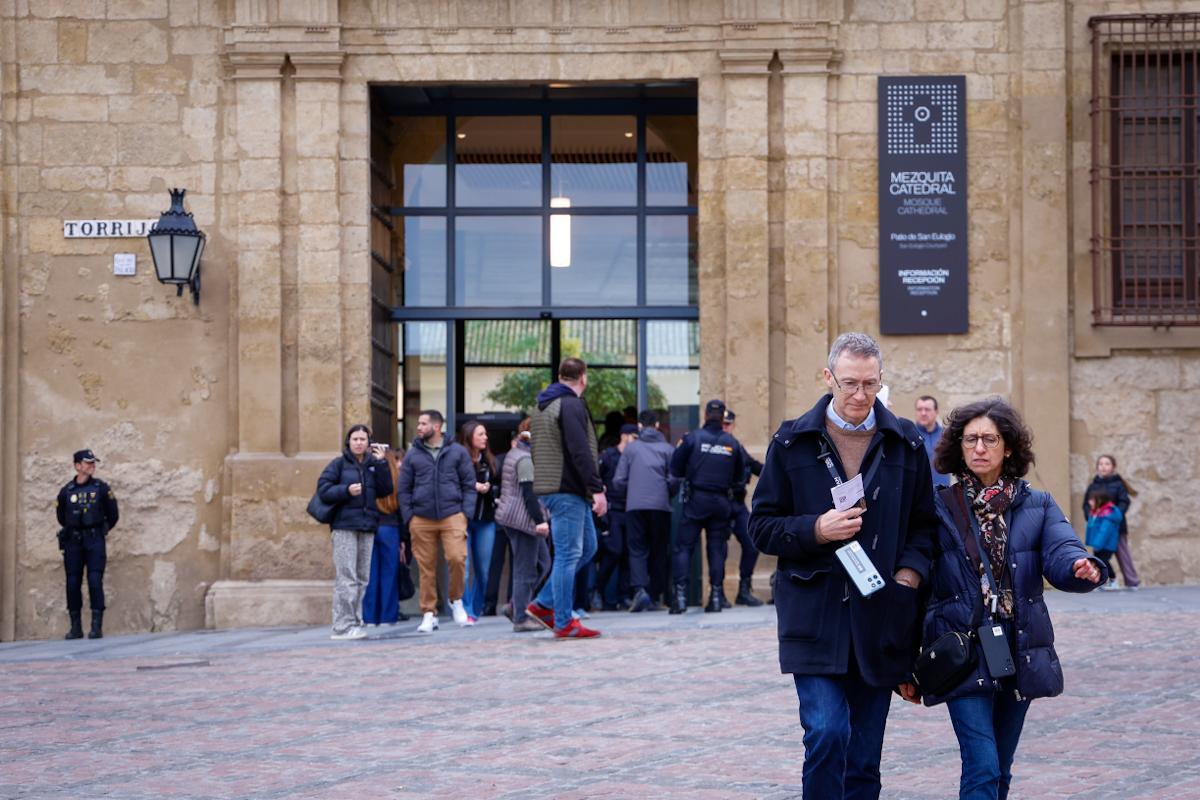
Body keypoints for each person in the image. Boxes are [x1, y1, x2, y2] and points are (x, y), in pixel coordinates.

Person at [748, 331, 936, 799]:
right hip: (814, 613)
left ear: (881, 380)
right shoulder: (792, 441)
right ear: (828, 377)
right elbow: (762, 527)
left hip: (881, 615)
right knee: (828, 733)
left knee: (865, 756)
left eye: (870, 384)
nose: (860, 395)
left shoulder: (905, 443)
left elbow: (925, 526)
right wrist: (816, 530)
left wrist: (907, 578)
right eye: (850, 383)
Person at [919, 398, 1105, 799]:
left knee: (1001, 769)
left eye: (990, 439)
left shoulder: (1036, 504)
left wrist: (1079, 568)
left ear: (1009, 447)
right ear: (958, 447)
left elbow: (1061, 551)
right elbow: (916, 576)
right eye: (971, 440)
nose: (980, 448)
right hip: (961, 648)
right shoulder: (938, 508)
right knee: (982, 765)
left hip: (1016, 646)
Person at [526, 357, 608, 639]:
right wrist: (596, 488)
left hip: (557, 488)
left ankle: (543, 604)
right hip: (567, 489)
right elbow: (579, 450)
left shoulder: (540, 406)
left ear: (560, 376)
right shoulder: (571, 405)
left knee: (587, 548)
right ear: (583, 377)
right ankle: (563, 622)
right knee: (569, 554)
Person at [398, 410, 476, 634]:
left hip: (452, 514)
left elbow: (469, 484)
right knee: (426, 567)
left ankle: (456, 600)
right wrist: (410, 517)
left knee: (457, 558)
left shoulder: (457, 452)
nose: (419, 427)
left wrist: (465, 514)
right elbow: (403, 489)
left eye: (423, 423)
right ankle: (429, 613)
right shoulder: (413, 455)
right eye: (419, 423)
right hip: (421, 518)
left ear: (436, 427)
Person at [317, 425, 394, 641]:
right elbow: (323, 489)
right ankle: (342, 626)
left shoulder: (373, 464)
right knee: (347, 577)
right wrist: (345, 490)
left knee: (362, 578)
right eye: (355, 439)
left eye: (363, 439)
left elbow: (386, 489)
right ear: (348, 442)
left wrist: (381, 463)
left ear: (369, 442)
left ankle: (356, 621)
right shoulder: (338, 464)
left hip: (366, 526)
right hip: (344, 527)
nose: (359, 442)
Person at [669, 399, 745, 614]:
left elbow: (676, 468)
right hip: (721, 502)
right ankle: (716, 597)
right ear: (723, 418)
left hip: (696, 500)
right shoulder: (732, 443)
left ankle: (680, 597)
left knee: (684, 547)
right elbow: (740, 477)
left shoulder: (691, 439)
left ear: (705, 415)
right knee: (716, 549)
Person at [614, 410, 676, 612]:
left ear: (640, 426)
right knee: (659, 551)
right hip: (660, 506)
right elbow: (675, 479)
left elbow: (618, 481)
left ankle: (640, 590)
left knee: (637, 549)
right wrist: (666, 492)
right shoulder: (668, 449)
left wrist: (631, 492)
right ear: (657, 425)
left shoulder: (631, 450)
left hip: (635, 506)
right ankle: (656, 595)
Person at [55, 448, 119, 640]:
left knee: (94, 580)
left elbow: (113, 514)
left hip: (94, 540)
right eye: (88, 462)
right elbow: (61, 517)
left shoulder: (101, 488)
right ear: (77, 466)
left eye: (93, 463)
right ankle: (75, 627)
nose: (92, 466)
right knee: (73, 582)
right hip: (73, 541)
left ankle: (96, 626)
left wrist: (101, 530)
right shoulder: (66, 491)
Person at [495, 418, 552, 632]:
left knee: (542, 564)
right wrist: (540, 521)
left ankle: (514, 605)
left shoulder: (519, 453)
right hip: (523, 520)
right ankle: (520, 617)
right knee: (526, 569)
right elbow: (529, 494)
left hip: (518, 517)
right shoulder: (525, 459)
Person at [722, 409, 765, 606]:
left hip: (737, 504)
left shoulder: (736, 446)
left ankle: (744, 590)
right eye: (723, 424)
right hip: (720, 504)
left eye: (728, 424)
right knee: (718, 549)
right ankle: (718, 592)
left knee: (752, 543)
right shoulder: (712, 445)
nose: (725, 428)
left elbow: (754, 465)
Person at [362, 444, 408, 626]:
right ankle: (388, 616)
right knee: (389, 574)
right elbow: (401, 511)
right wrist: (403, 539)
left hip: (371, 527)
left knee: (370, 574)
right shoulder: (396, 481)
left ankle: (370, 617)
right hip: (390, 528)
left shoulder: (368, 476)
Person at [458, 421, 498, 623]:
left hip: (486, 519)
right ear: (469, 436)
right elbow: (450, 485)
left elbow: (499, 486)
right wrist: (471, 486)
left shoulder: (489, 460)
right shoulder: (458, 459)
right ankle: (465, 610)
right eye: (480, 434)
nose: (485, 437)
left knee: (483, 570)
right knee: (463, 569)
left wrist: (490, 488)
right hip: (463, 518)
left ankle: (475, 608)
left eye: (485, 434)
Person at [595, 423, 637, 611]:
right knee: (614, 551)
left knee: (629, 554)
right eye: (634, 438)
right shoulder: (609, 456)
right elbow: (596, 477)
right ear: (624, 436)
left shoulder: (634, 456)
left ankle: (623, 595)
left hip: (630, 509)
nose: (636, 442)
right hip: (612, 510)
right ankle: (598, 589)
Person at [1083, 455, 1139, 590]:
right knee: (1100, 554)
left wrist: (1113, 517)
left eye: (1107, 464)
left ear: (1113, 467)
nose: (1103, 466)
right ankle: (1102, 581)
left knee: (1122, 554)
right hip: (1099, 527)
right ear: (1097, 467)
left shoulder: (1118, 485)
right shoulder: (1093, 486)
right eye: (1101, 464)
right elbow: (1086, 504)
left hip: (1116, 526)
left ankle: (1132, 581)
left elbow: (1124, 502)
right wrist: (1090, 517)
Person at [1085, 490, 1122, 589]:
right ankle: (1102, 582)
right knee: (1099, 562)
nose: (1089, 502)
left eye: (1092, 500)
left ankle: (1113, 581)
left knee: (1104, 562)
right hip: (1098, 543)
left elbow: (1104, 531)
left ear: (1099, 500)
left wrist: (1097, 544)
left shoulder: (1108, 513)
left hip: (1106, 544)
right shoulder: (1097, 512)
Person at [915, 395, 951, 488]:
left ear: (936, 412)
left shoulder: (946, 435)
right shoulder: (910, 435)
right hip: (918, 493)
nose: (923, 413)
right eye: (919, 409)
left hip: (943, 493)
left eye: (927, 409)